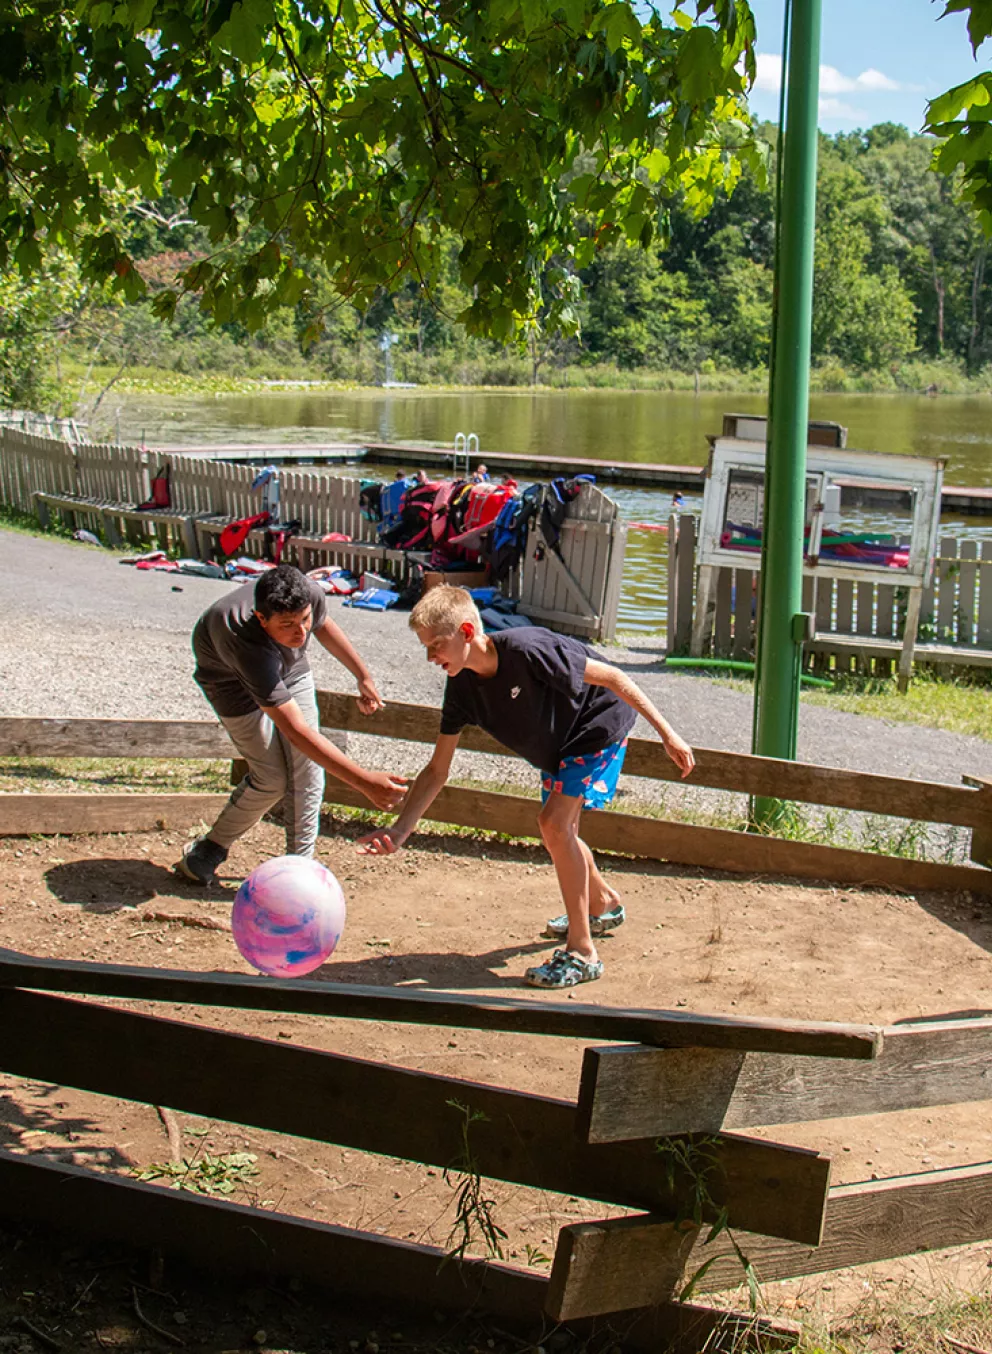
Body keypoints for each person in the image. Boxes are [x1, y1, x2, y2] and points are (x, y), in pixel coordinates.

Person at [357, 586, 694, 988]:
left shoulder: (527, 650)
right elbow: (437, 771)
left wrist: (668, 735)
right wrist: (399, 831)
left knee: (554, 824)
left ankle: (582, 952)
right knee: (560, 832)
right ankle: (602, 903)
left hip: (598, 723)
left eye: (437, 645)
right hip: (561, 742)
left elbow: (616, 678)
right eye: (426, 647)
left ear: (467, 631)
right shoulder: (461, 689)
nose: (431, 657)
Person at [178, 564, 406, 885]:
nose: (301, 633)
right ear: (261, 619)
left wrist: (362, 675)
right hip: (229, 683)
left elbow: (324, 625)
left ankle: (299, 868)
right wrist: (364, 781)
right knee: (271, 779)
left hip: (289, 668)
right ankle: (210, 848)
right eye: (287, 624)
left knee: (307, 768)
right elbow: (296, 732)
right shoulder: (247, 645)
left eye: (304, 620)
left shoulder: (305, 593)